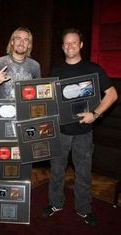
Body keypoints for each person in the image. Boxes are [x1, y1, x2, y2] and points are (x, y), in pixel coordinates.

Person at [43, 28, 118, 226]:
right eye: (66, 43)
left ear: (81, 45)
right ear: (62, 47)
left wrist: (94, 114)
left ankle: (84, 209)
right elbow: (50, 99)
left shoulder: (94, 69)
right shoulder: (56, 71)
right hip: (60, 131)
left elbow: (112, 94)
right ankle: (55, 203)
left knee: (83, 173)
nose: (70, 46)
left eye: (74, 42)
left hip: (83, 132)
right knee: (57, 170)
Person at [0, 27, 41, 99]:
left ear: (29, 45)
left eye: (26, 40)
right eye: (18, 38)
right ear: (12, 42)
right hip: (4, 109)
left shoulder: (35, 66)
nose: (21, 43)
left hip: (25, 109)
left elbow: (38, 96)